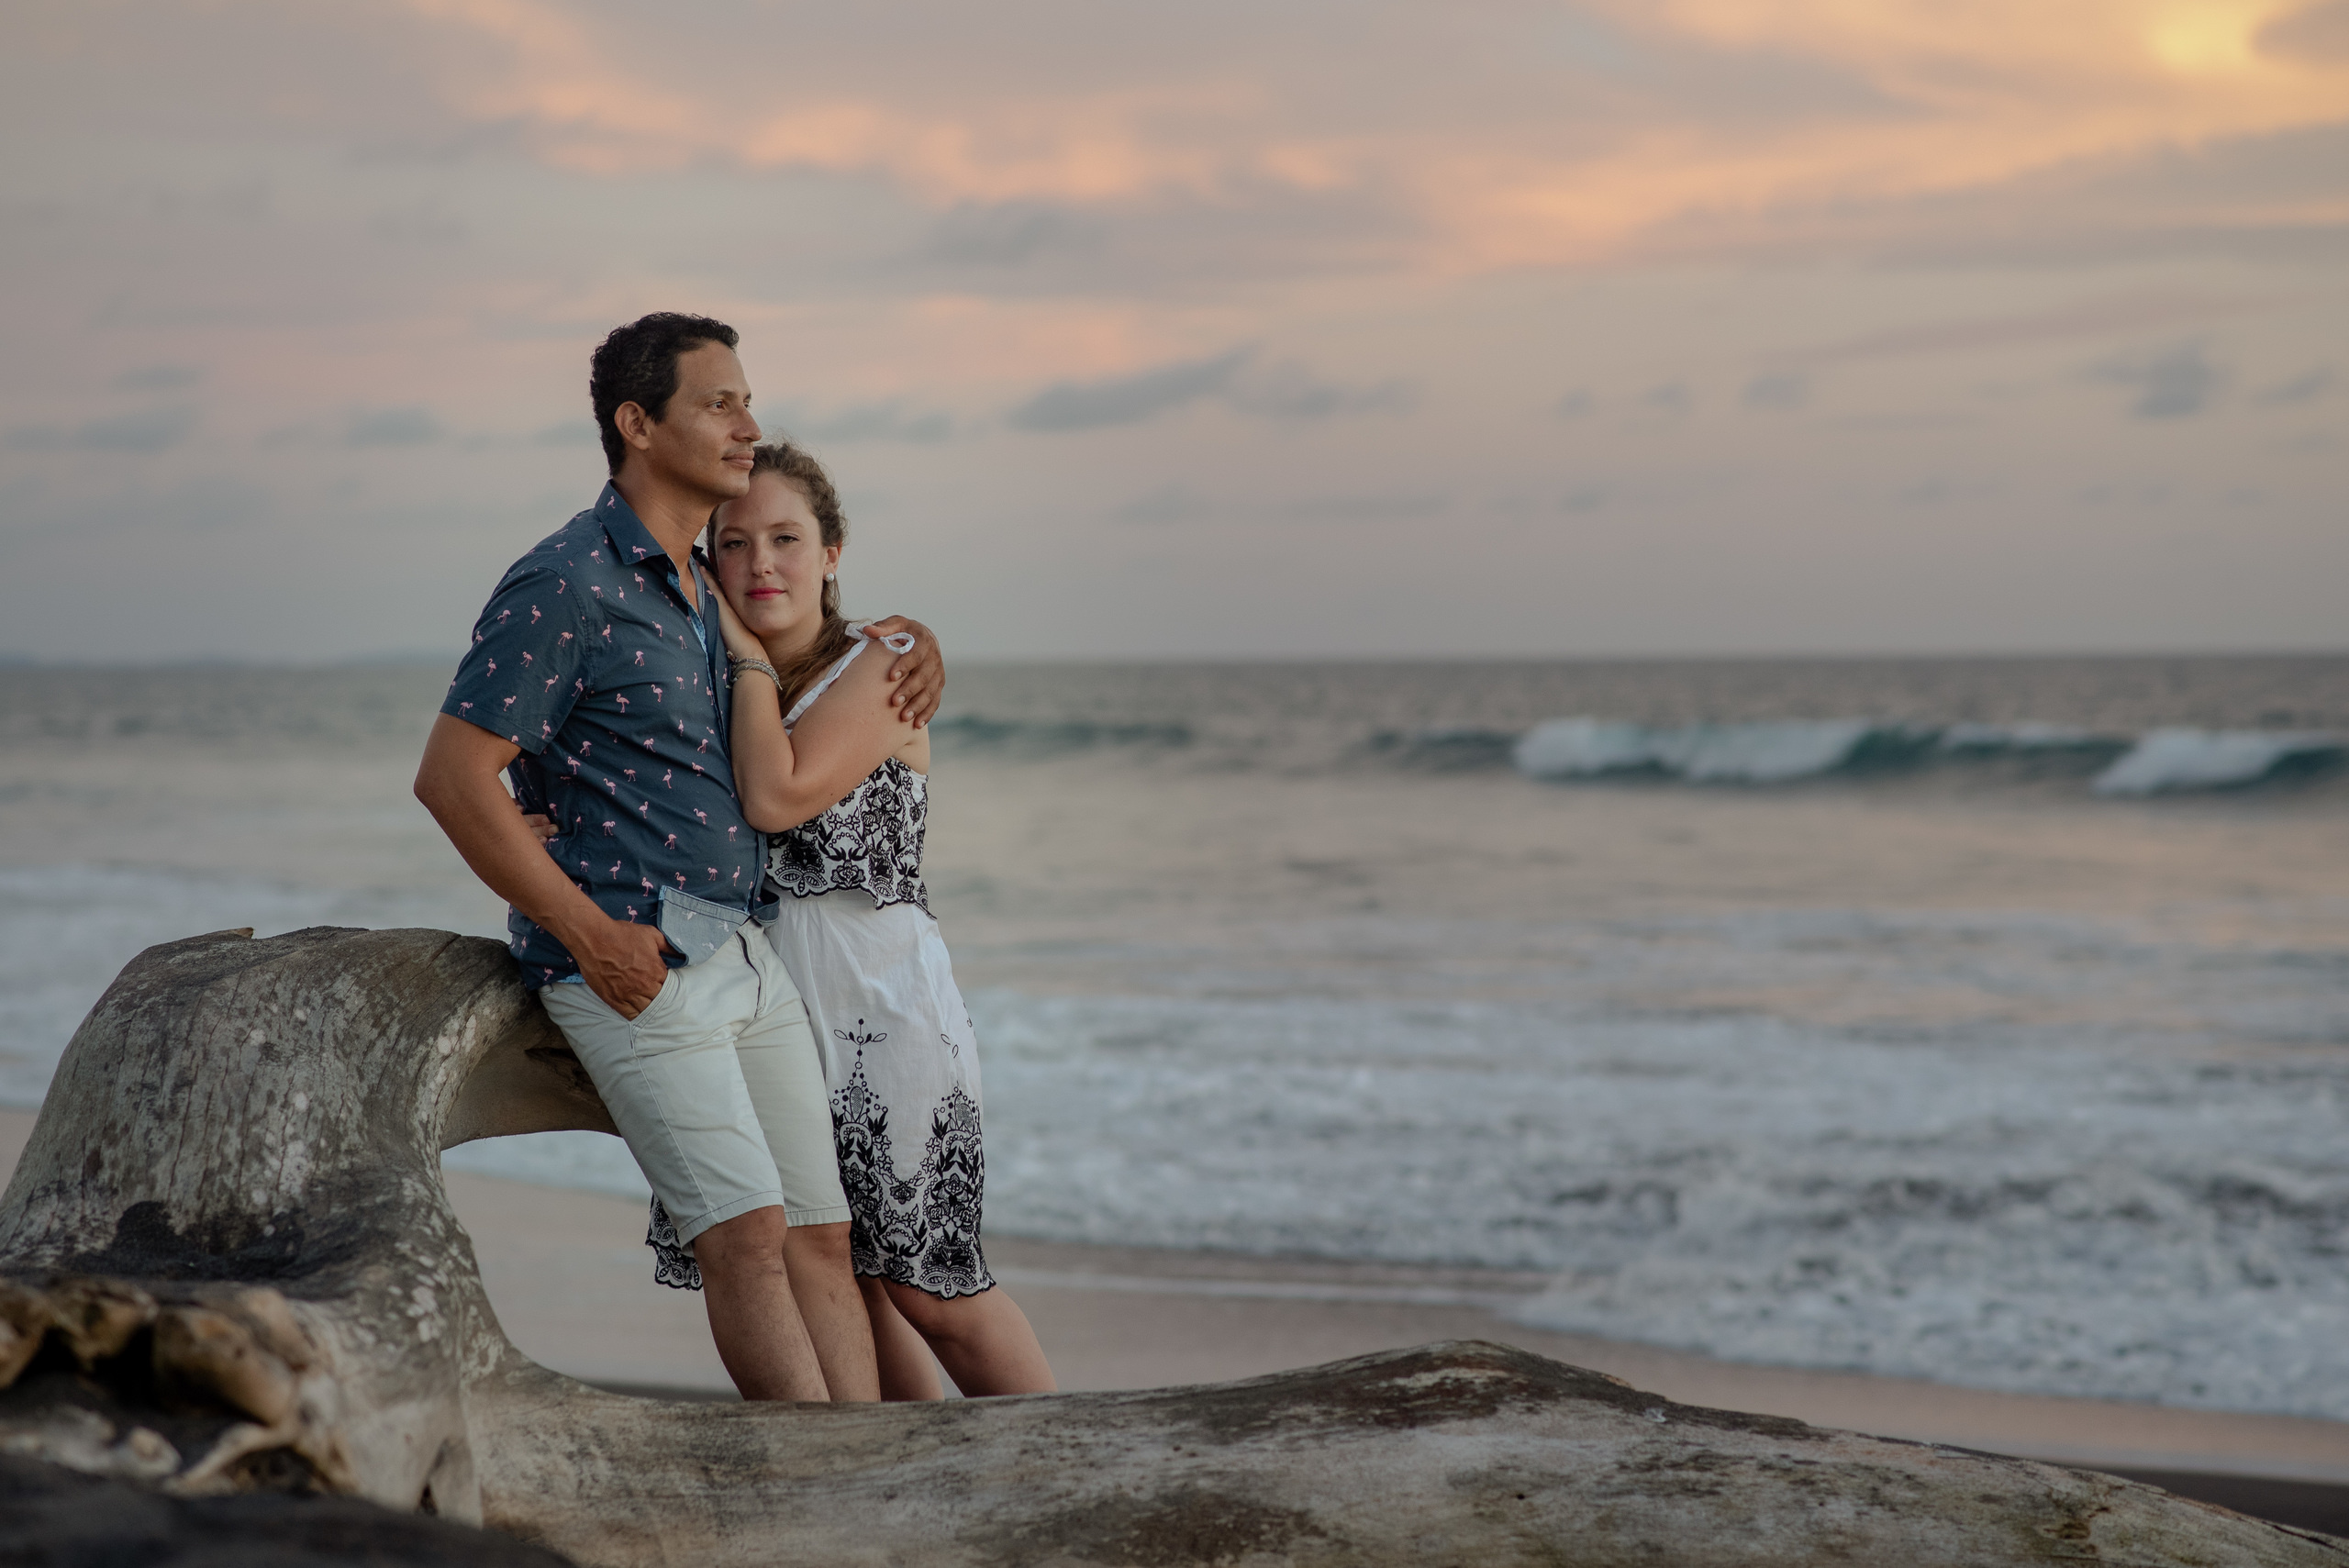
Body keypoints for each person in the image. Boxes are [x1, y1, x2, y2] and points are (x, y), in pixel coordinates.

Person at [413, 313, 944, 1403]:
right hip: (634, 962)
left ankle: (860, 1476)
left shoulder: (700, 580)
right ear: (637, 425)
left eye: (746, 401)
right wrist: (585, 931)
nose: (748, 425)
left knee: (820, 1233)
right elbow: (454, 777)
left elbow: (793, 670)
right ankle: (801, 1489)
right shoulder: (566, 578)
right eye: (720, 403)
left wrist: (907, 638)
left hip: (744, 954)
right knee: (744, 1235)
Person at [640, 438, 1054, 1398]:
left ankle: (1070, 1476)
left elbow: (778, 797)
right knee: (840, 1282)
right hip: (756, 1010)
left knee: (932, 1283)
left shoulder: (885, 658)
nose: (760, 564)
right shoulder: (703, 692)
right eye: (733, 544)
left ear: (832, 551)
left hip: (883, 1007)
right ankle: (905, 1488)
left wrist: (739, 652)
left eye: (786, 537)